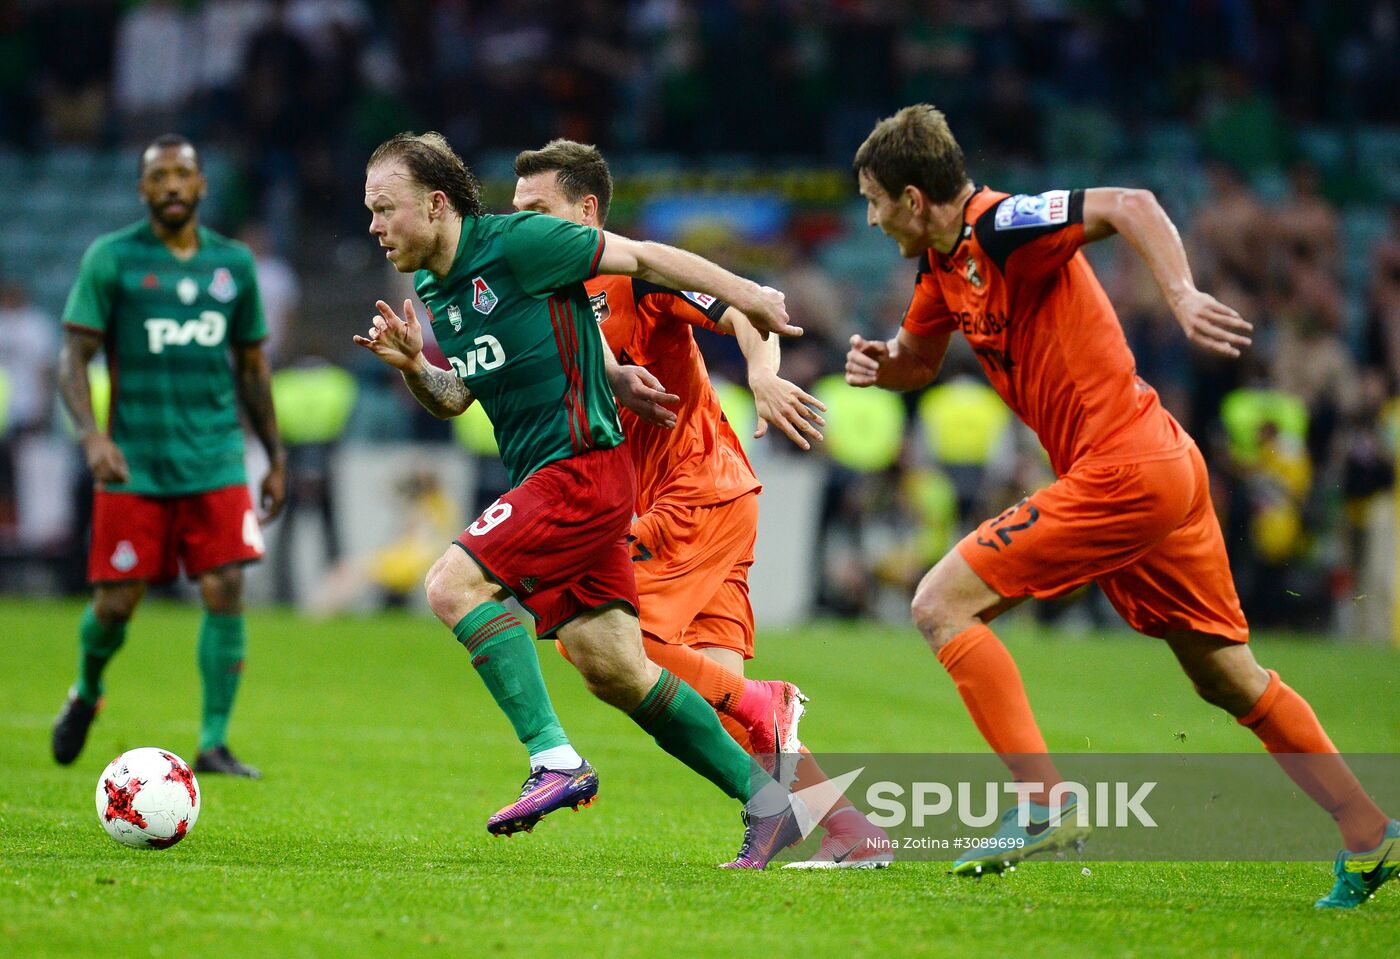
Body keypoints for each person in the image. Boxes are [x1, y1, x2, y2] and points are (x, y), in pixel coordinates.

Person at [844, 104, 1398, 907]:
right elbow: (917, 360)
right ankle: (1368, 829)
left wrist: (1180, 294)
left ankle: (1042, 800)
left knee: (940, 603)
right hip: (1154, 466)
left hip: (1125, 468)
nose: (868, 217)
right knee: (1226, 678)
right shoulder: (940, 270)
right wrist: (879, 365)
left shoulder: (999, 225)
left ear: (914, 197)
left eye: (873, 199)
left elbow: (1129, 203)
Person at [355, 131, 805, 867]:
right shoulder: (436, 286)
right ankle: (771, 802)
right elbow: (458, 394)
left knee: (451, 583)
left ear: (436, 205)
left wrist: (748, 293)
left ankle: (554, 761)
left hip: (580, 471)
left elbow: (649, 257)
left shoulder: (521, 243)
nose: (374, 226)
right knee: (613, 665)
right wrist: (414, 365)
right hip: (562, 478)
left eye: (384, 208)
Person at [510, 139, 889, 867]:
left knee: (605, 643)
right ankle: (853, 830)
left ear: (586, 212)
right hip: (698, 499)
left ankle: (769, 703)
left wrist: (764, 373)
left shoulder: (639, 277)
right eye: (515, 211)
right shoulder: (540, 296)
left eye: (539, 210)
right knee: (713, 692)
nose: (522, 224)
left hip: (693, 494)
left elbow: (745, 307)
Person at [51, 134, 287, 779]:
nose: (173, 186)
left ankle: (213, 741)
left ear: (203, 185)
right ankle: (86, 691)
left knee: (226, 584)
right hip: (135, 463)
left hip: (214, 458)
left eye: (184, 174)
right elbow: (73, 356)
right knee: (118, 603)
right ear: (143, 189)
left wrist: (275, 456)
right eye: (160, 177)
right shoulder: (114, 258)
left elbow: (251, 366)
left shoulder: (234, 265)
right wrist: (92, 437)